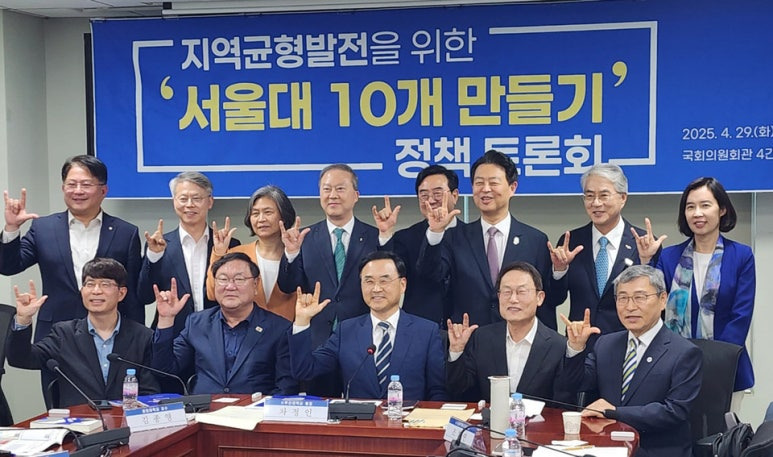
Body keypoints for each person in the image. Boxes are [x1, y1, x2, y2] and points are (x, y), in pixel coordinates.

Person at [1, 155, 143, 408]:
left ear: (103, 190)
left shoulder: (125, 232)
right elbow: (9, 266)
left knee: (117, 410)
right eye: (71, 184)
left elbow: (130, 291)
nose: (78, 191)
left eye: (86, 184)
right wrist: (11, 229)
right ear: (63, 187)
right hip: (57, 337)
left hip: (110, 337)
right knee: (60, 411)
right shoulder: (43, 228)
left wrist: (135, 338)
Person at [277, 164, 396, 397]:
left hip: (364, 341)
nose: (332, 195)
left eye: (340, 188)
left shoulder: (375, 235)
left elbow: (389, 278)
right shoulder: (304, 237)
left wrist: (385, 238)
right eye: (326, 189)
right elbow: (288, 286)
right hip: (318, 343)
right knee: (321, 408)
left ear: (356, 195)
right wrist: (291, 253)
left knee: (364, 406)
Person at [634, 177, 754, 403]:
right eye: (690, 207)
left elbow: (741, 317)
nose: (697, 213)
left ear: (722, 210)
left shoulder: (741, 256)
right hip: (673, 368)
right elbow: (649, 304)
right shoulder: (669, 256)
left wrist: (713, 361)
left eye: (705, 205)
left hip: (725, 369)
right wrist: (647, 261)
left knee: (720, 427)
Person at [561, 265, 702, 457]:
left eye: (640, 297)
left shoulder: (685, 352)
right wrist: (576, 348)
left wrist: (614, 412)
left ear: (662, 300)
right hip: (607, 445)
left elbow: (674, 411)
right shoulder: (606, 344)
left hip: (656, 449)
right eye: (623, 298)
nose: (630, 307)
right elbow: (574, 385)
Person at [416, 150, 555, 329]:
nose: (485, 189)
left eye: (493, 183)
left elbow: (549, 298)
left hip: (519, 337)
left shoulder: (535, 240)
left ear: (512, 187)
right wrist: (435, 232)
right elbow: (430, 278)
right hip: (469, 337)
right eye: (479, 183)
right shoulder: (455, 237)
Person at [289, 251, 447, 401]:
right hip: (358, 420)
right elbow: (305, 370)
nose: (376, 289)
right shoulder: (346, 331)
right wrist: (302, 321)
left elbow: (437, 390)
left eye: (384, 281)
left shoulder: (426, 332)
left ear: (402, 284)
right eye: (369, 281)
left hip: (409, 419)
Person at [7, 258, 159, 408]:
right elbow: (20, 359)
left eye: (105, 284)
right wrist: (23, 319)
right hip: (79, 421)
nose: (96, 291)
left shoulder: (142, 337)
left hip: (126, 421)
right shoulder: (64, 334)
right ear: (82, 291)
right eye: (90, 284)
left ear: (121, 293)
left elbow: (150, 393)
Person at [151, 252, 297, 395]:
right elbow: (164, 370)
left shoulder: (279, 328)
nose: (230, 286)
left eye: (239, 279)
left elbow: (285, 387)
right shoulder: (197, 323)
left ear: (255, 284)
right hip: (205, 408)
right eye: (223, 279)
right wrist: (166, 319)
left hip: (253, 409)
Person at [549, 163, 659, 344]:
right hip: (581, 345)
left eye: (603, 195)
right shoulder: (572, 241)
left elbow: (655, 300)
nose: (596, 203)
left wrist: (646, 260)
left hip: (628, 345)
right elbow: (554, 299)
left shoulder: (643, 243)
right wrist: (559, 270)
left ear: (622, 198)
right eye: (589, 196)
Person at [446, 261, 570, 403]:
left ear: (539, 298)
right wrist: (456, 351)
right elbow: (460, 390)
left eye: (521, 292)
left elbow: (563, 402)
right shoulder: (482, 338)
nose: (513, 299)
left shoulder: (558, 346)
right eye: (506, 292)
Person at [138, 171, 240, 337]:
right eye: (183, 198)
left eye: (197, 198)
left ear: (210, 202)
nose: (190, 204)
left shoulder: (230, 244)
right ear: (174, 201)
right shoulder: (159, 245)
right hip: (173, 334)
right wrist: (154, 256)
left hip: (220, 334)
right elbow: (145, 296)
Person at [206, 185, 296, 322]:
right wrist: (219, 253)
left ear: (283, 216)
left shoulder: (296, 256)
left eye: (268, 212)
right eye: (255, 214)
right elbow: (212, 294)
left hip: (288, 331)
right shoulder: (237, 254)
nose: (261, 219)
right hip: (244, 330)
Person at [390, 165, 463, 326]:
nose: (430, 200)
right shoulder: (405, 238)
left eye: (437, 193)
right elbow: (390, 276)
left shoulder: (472, 235)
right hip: (418, 327)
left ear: (455, 195)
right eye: (424, 195)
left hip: (465, 328)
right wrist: (385, 234)